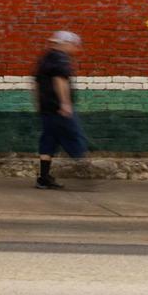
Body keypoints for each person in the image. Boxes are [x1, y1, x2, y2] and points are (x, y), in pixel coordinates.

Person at [32, 30, 87, 189]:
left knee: (49, 140)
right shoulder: (60, 59)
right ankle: (88, 172)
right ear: (65, 44)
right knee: (75, 136)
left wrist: (39, 104)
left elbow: (35, 84)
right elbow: (60, 80)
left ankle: (43, 178)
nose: (75, 48)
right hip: (58, 108)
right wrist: (65, 103)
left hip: (47, 108)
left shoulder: (45, 59)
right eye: (73, 45)